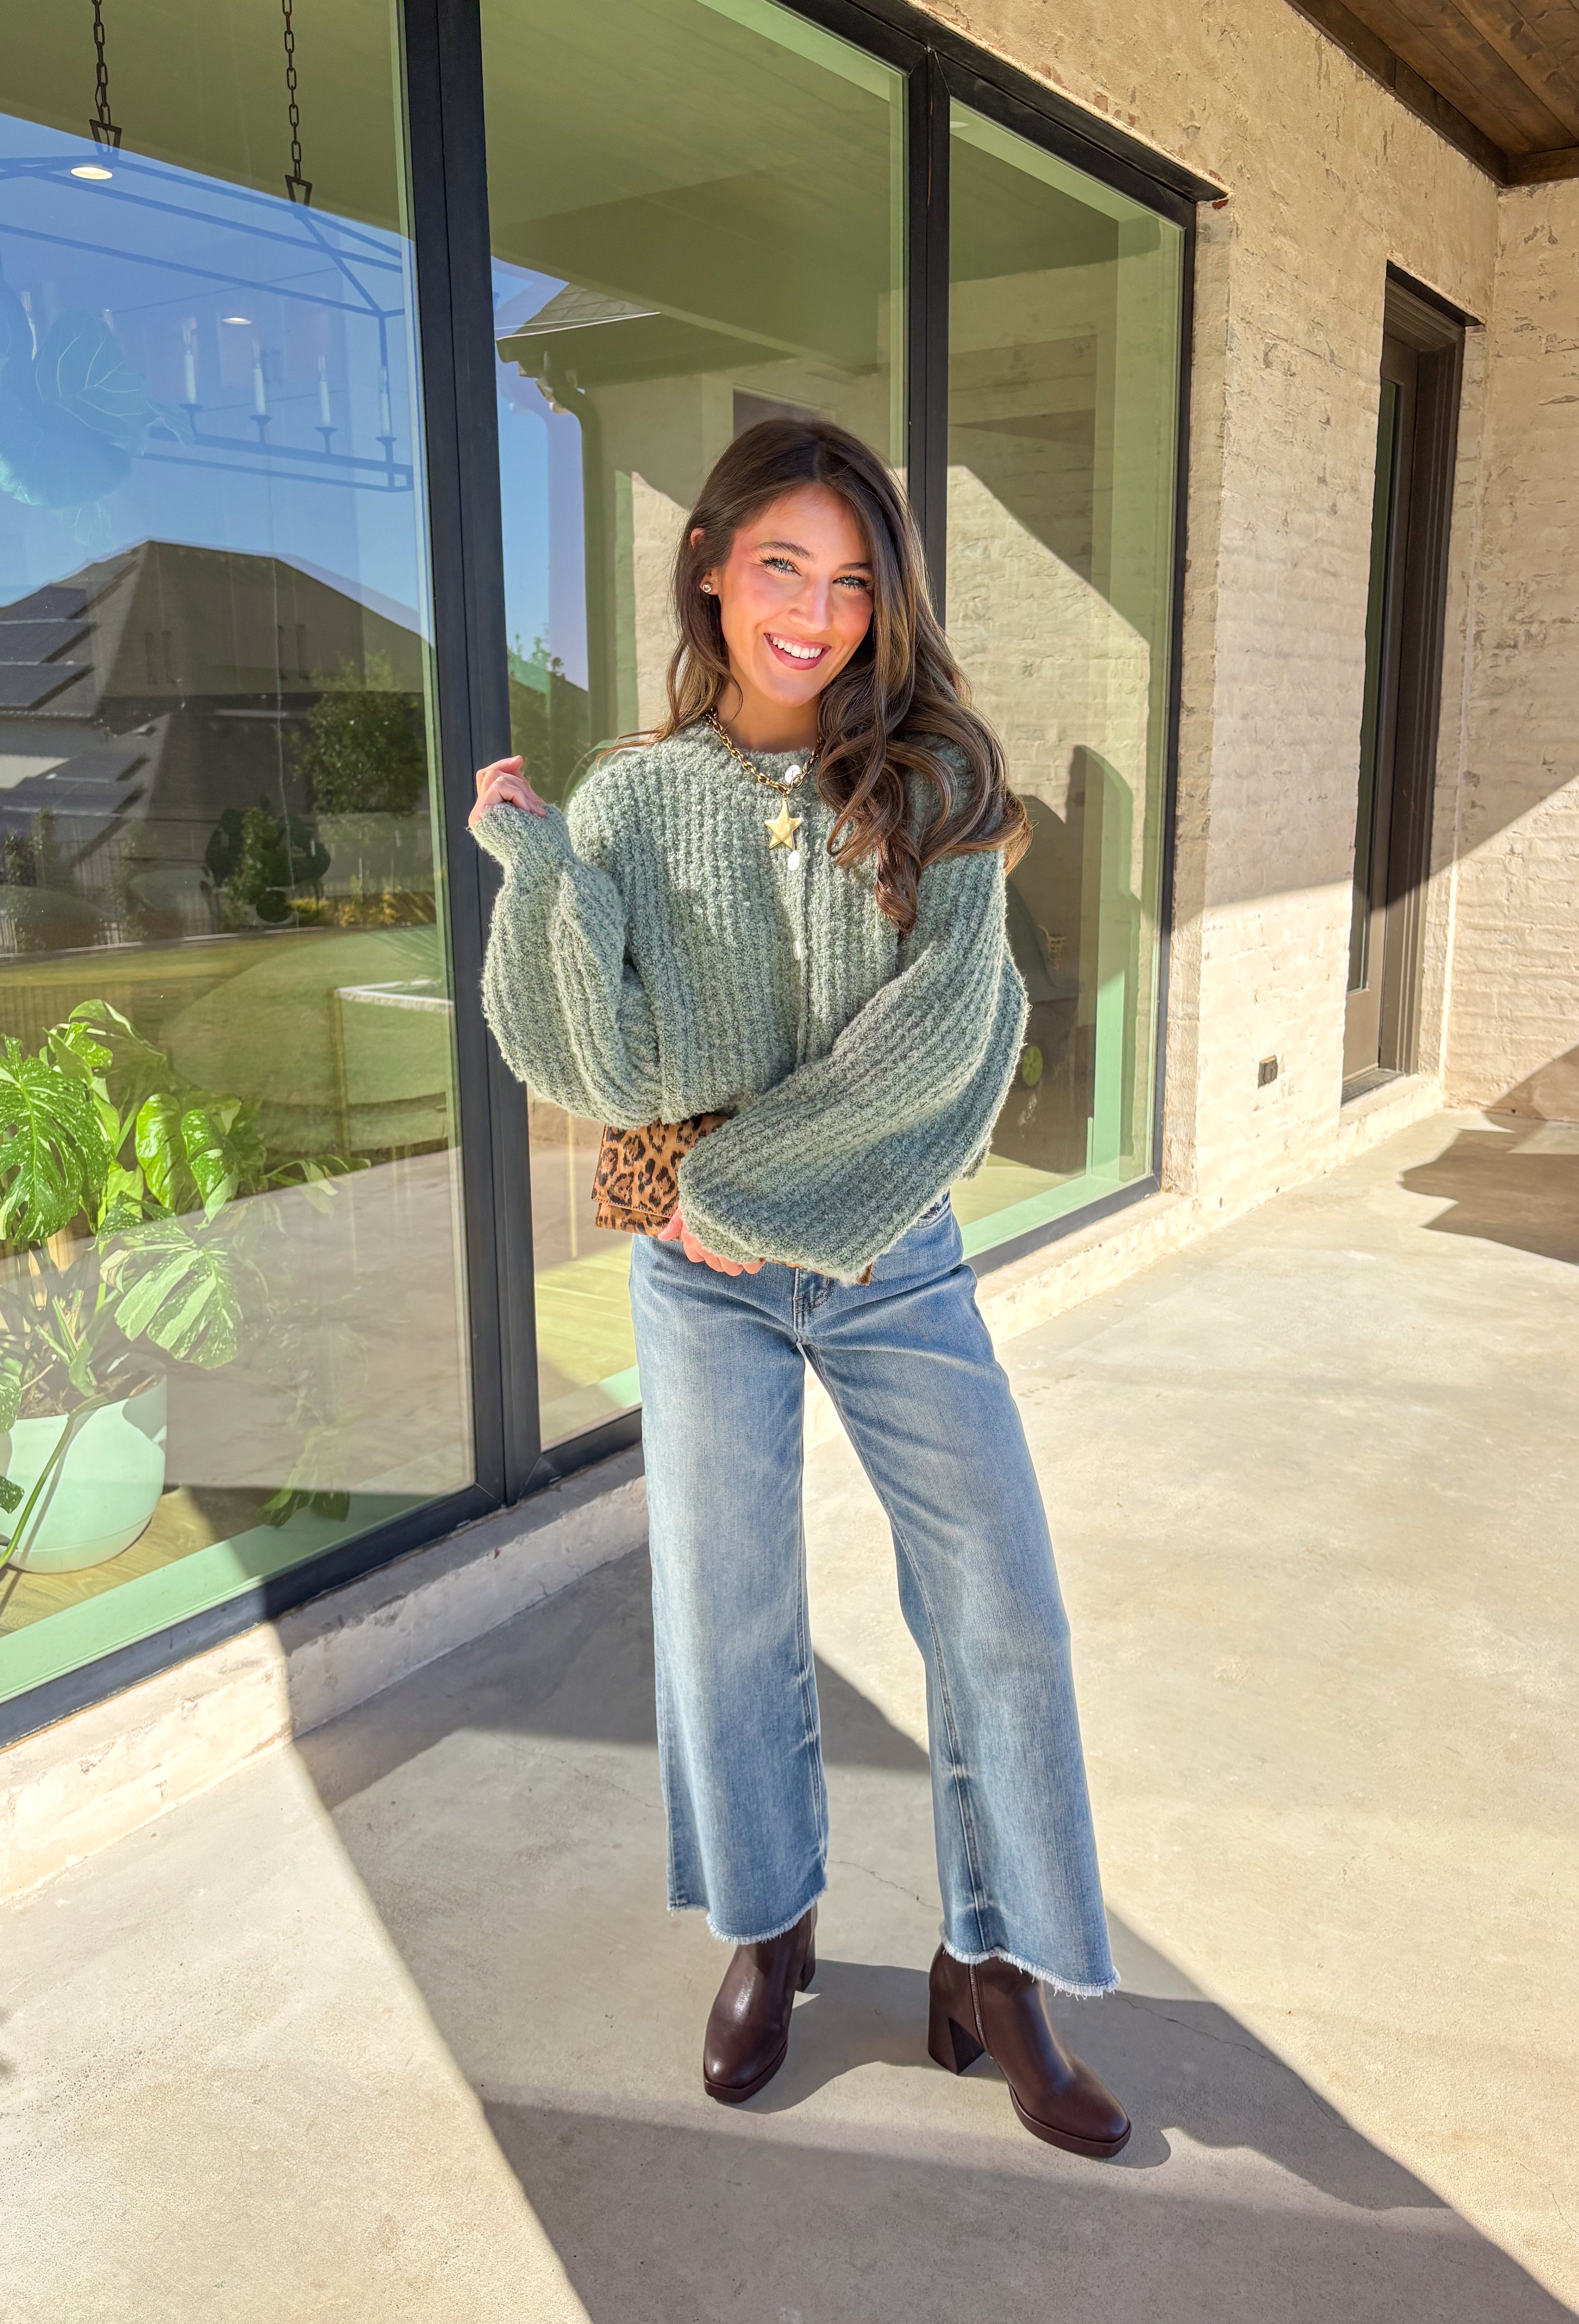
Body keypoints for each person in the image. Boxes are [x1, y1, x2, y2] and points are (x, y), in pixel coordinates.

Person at [468, 417, 1129, 2159]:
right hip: (700, 1288)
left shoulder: (934, 785)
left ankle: (994, 1966)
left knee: (1000, 1607)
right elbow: (584, 1052)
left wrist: (734, 1187)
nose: (814, 614)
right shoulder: (632, 795)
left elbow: (948, 1048)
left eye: (850, 584)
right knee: (725, 1616)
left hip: (889, 1256)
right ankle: (772, 1934)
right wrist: (540, 870)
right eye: (782, 568)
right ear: (709, 566)